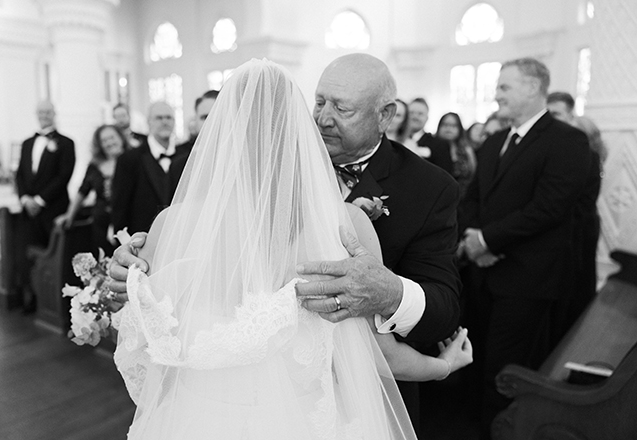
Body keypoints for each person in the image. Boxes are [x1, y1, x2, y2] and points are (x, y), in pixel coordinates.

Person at [112, 58, 471, 440]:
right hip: (298, 421)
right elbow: (380, 357)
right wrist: (444, 365)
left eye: (341, 108)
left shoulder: (172, 223)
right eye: (318, 104)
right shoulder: (348, 225)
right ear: (296, 126)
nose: (324, 118)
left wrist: (133, 284)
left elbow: (150, 338)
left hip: (193, 419)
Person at [458, 58, 591, 438]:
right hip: (483, 273)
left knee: (507, 371)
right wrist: (472, 235)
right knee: (477, 361)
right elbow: (474, 197)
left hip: (527, 279)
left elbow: (549, 208)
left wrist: (488, 240)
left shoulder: (567, 140)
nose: (495, 95)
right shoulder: (496, 141)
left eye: (504, 87)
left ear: (533, 88)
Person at [546, 91, 604, 347]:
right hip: (568, 232)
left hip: (578, 232)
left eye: (556, 115)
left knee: (574, 291)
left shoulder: (584, 155)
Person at [16, 100, 76, 313]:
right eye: (40, 112)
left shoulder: (66, 143)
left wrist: (40, 200)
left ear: (54, 114)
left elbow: (63, 176)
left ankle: (56, 304)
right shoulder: (26, 143)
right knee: (29, 257)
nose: (44, 115)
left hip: (53, 209)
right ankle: (31, 298)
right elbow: (20, 175)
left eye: (47, 112)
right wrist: (24, 199)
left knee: (56, 258)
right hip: (29, 212)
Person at [110, 102, 188, 235]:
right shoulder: (129, 159)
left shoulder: (186, 156)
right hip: (142, 235)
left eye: (169, 118)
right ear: (149, 122)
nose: (164, 122)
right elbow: (120, 203)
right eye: (159, 118)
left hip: (180, 234)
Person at [55, 124, 128, 255]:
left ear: (121, 138)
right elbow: (83, 191)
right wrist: (69, 215)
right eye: (104, 141)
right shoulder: (95, 165)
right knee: (103, 261)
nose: (109, 143)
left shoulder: (133, 160)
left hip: (126, 222)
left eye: (112, 137)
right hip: (101, 223)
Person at [403, 98, 453, 173]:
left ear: (427, 118)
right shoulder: (395, 140)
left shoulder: (439, 145)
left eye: (420, 114)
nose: (415, 117)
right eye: (411, 113)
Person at [436, 112, 477, 198]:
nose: (448, 129)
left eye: (453, 126)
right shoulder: (431, 148)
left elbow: (472, 174)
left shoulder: (466, 150)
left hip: (462, 198)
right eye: (445, 125)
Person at [176, 90, 220, 154]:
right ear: (195, 120)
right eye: (205, 117)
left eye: (215, 117)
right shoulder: (180, 159)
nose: (210, 123)